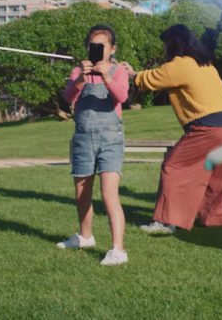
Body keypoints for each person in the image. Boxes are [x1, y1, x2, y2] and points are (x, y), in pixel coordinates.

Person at [120, 24, 222, 234]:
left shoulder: (180, 64)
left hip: (209, 127)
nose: (164, 49)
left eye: (166, 44)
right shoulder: (205, 64)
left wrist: (131, 74)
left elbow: (152, 79)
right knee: (218, 174)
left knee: (174, 167)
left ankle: (167, 222)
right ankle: (215, 218)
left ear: (173, 44)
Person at [57, 25, 130, 266]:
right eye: (92, 46)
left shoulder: (119, 71)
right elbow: (68, 97)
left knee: (109, 194)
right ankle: (85, 237)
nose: (96, 50)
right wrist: (80, 79)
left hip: (111, 139)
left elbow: (122, 97)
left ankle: (118, 249)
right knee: (82, 193)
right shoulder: (79, 71)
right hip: (82, 138)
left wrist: (106, 76)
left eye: (101, 46)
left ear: (112, 49)